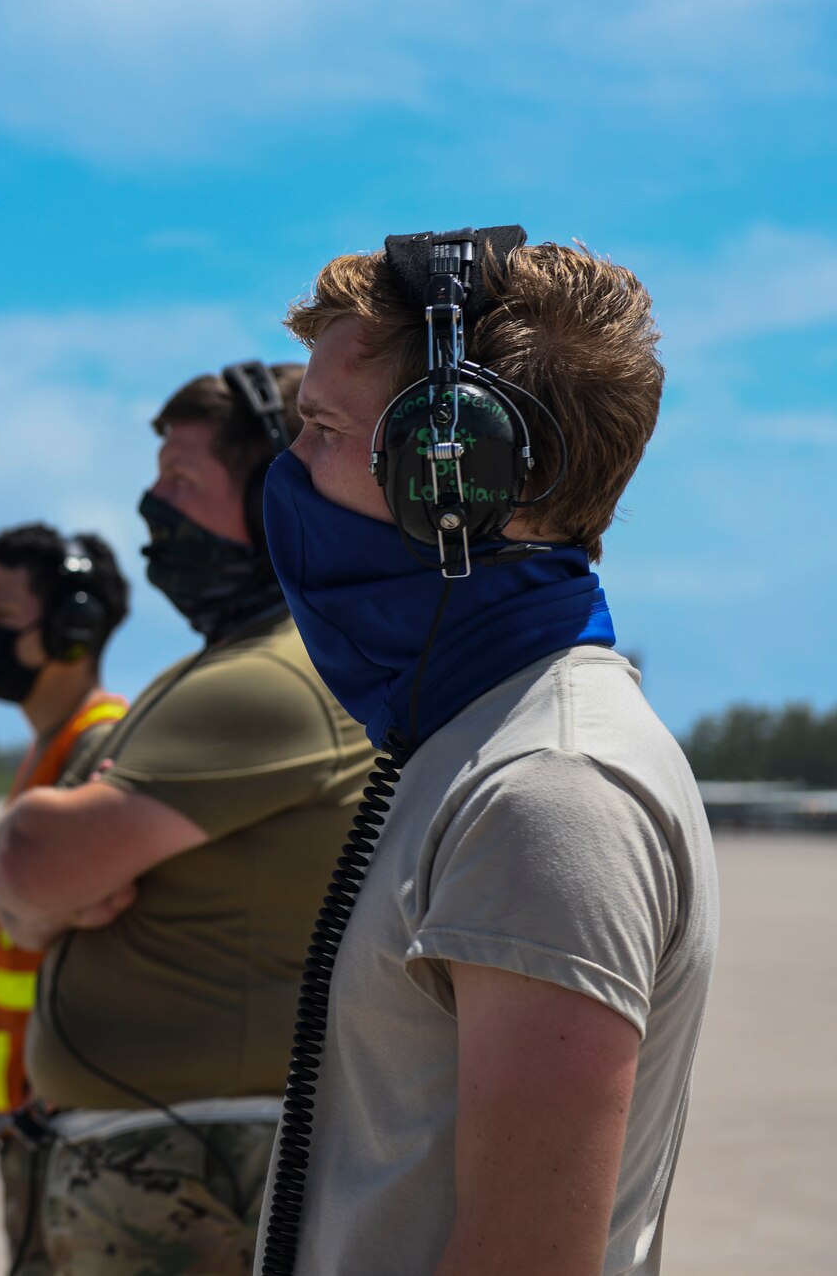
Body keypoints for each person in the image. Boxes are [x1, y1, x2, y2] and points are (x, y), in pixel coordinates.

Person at [251, 230, 718, 1276]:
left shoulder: (548, 793)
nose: (287, 470)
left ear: (448, 476)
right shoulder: (471, 743)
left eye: (322, 427)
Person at [0, 363, 374, 1275]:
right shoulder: (224, 668)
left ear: (278, 495)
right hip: (163, 1151)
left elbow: (32, 863)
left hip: (190, 1166)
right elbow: (27, 898)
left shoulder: (274, 678)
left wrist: (48, 886)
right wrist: (45, 891)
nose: (152, 504)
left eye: (182, 480)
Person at [0, 523, 132, 1276]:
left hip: (58, 1124)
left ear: (72, 628)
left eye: (2, 613)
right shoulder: (46, 746)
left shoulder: (99, 749)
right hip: (26, 1121)